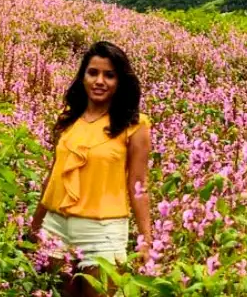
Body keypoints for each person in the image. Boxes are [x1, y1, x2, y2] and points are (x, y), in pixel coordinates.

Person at [26, 41, 153, 296]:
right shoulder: (68, 119)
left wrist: (146, 239)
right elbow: (53, 177)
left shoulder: (135, 125)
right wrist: (34, 227)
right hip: (56, 228)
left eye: (109, 75)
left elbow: (138, 186)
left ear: (120, 82)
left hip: (102, 232)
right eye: (93, 72)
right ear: (82, 77)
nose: (99, 81)